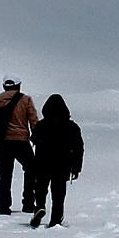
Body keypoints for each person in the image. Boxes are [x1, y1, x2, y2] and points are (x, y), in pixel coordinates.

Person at [0, 78, 38, 214]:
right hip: (22, 142)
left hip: (3, 143)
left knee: (5, 175)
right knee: (31, 170)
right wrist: (38, 139)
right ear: (19, 85)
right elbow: (34, 121)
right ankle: (28, 203)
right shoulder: (26, 100)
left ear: (4, 86)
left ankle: (4, 207)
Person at [27, 95, 83, 226]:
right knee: (59, 193)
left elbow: (33, 139)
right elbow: (78, 148)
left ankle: (40, 206)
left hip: (43, 162)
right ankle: (56, 219)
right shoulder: (72, 127)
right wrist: (76, 167)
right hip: (63, 164)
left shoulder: (41, 125)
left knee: (41, 187)